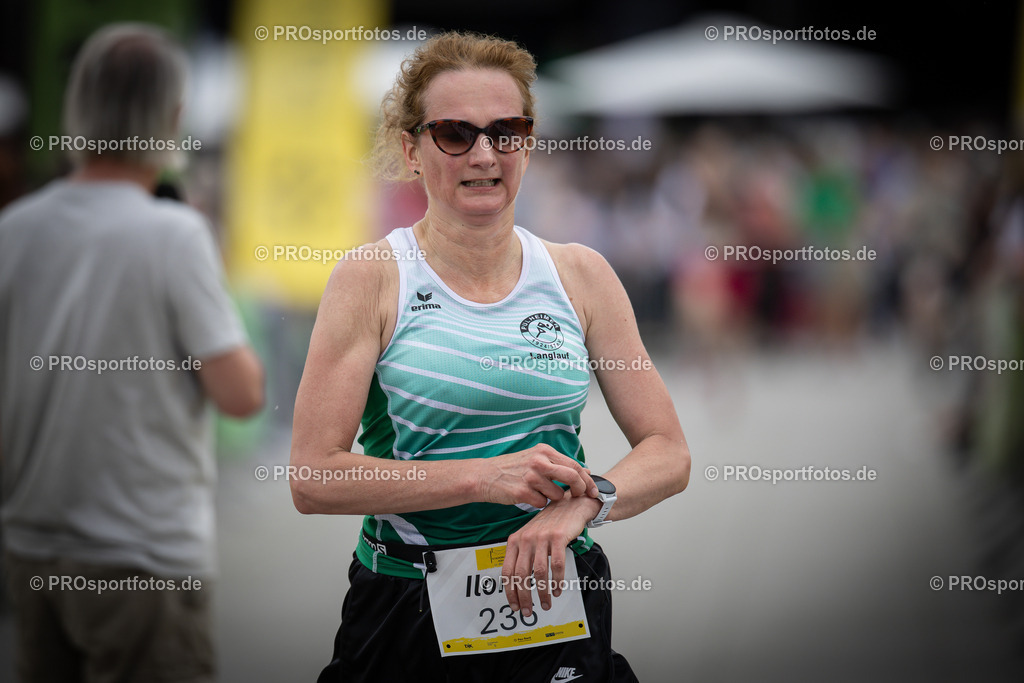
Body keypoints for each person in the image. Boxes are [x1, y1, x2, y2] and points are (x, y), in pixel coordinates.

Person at [290, 31, 690, 682]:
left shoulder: (580, 274)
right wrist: (485, 477)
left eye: (505, 131)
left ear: (527, 143)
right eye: (455, 133)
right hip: (408, 600)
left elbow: (668, 449)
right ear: (410, 149)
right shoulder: (372, 278)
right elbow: (313, 476)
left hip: (555, 589)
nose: (484, 154)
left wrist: (584, 503)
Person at [0, 23, 264, 683]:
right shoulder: (174, 234)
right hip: (141, 554)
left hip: (30, 546)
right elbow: (242, 394)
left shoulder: (15, 227)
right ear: (172, 117)